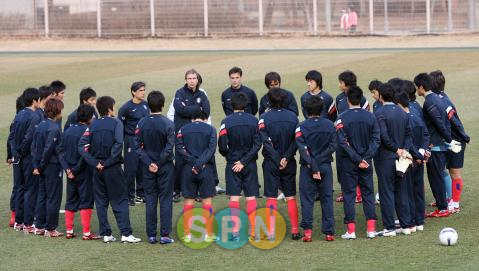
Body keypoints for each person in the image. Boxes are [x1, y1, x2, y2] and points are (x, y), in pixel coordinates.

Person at [79, 96, 141, 243]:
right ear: (109, 109)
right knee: (120, 200)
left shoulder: (92, 125)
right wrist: (107, 163)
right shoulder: (116, 123)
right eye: (113, 106)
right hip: (112, 168)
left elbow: (81, 146)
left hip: (97, 170)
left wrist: (95, 163)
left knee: (101, 202)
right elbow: (118, 143)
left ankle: (106, 234)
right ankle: (126, 233)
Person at [336, 86, 380, 240]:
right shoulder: (371, 117)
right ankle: (371, 230)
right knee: (368, 194)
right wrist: (365, 159)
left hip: (349, 163)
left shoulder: (341, 118)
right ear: (361, 99)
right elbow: (376, 140)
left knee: (349, 195)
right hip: (366, 163)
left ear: (348, 99)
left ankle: (351, 231)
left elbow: (342, 143)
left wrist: (356, 159)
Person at [218, 92, 262, 241]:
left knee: (234, 198)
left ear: (231, 105)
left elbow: (222, 146)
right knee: (251, 198)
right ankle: (253, 230)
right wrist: (244, 161)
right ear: (246, 105)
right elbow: (258, 144)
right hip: (250, 163)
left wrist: (232, 159)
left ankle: (235, 231)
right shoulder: (254, 121)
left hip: (232, 164)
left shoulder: (225, 121)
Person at [258, 88, 301, 240]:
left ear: (269, 101)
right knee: (290, 196)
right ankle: (295, 230)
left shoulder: (263, 118)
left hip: (271, 162)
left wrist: (277, 159)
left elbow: (266, 142)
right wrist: (286, 158)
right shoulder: (293, 118)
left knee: (271, 196)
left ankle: (270, 232)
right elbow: (297, 140)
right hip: (289, 163)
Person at [134, 91, 175, 245]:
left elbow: (137, 146)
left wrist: (149, 162)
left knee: (150, 199)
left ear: (148, 105)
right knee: (165, 200)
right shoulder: (168, 123)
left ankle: (151, 235)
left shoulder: (141, 123)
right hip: (165, 167)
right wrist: (158, 163)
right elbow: (169, 147)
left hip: (147, 167)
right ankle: (165, 235)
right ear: (163, 105)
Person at [415, 73, 458, 218]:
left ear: (421, 87)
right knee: (438, 175)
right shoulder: (438, 98)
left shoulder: (429, 102)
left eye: (417, 87)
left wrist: (448, 139)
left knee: (436, 177)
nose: (416, 90)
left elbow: (439, 123)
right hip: (440, 144)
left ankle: (443, 208)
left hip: (435, 146)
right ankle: (443, 203)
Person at [374, 83, 414, 237]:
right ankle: (405, 225)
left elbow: (383, 136)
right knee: (401, 191)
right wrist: (404, 150)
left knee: (386, 192)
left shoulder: (379, 112)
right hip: (402, 158)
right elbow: (409, 134)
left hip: (385, 158)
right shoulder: (402, 112)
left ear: (381, 96)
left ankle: (389, 227)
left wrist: (396, 149)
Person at [296, 96, 336, 242]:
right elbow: (333, 146)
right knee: (326, 199)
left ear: (306, 110)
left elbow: (302, 149)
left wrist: (313, 165)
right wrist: (319, 162)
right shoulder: (330, 125)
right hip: (325, 166)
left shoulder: (301, 126)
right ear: (322, 109)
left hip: (308, 167)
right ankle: (329, 232)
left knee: (307, 199)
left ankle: (307, 232)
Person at [176, 109, 218, 243]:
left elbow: (179, 149)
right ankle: (209, 233)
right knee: (207, 201)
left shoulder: (183, 129)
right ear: (205, 118)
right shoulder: (211, 129)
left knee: (189, 201)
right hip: (205, 169)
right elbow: (211, 150)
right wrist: (200, 164)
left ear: (192, 118)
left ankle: (187, 234)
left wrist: (194, 163)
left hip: (189, 169)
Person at [430, 70, 469, 213]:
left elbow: (454, 121)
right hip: (448, 140)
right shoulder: (438, 98)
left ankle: (456, 203)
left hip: (455, 141)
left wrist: (463, 137)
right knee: (443, 170)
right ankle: (447, 199)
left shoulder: (443, 101)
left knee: (454, 172)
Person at [62, 104, 101, 240]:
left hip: (69, 172)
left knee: (71, 200)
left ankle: (69, 231)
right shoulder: (88, 131)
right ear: (90, 117)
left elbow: (61, 152)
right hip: (83, 171)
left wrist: (68, 169)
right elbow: (85, 154)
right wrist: (75, 169)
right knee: (86, 200)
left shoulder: (67, 130)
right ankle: (86, 232)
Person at [331, 70, 368, 203]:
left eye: (340, 82)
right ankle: (346, 191)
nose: (339, 85)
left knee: (357, 163)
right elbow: (332, 115)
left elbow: (367, 115)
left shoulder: (361, 98)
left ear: (345, 83)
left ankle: (359, 193)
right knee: (342, 165)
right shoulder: (339, 98)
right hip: (342, 138)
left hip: (358, 137)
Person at [395, 91, 429, 232]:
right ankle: (419, 221)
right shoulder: (416, 116)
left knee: (407, 191)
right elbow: (426, 134)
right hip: (418, 160)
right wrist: (422, 152)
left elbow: (407, 142)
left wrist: (416, 156)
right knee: (418, 190)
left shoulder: (403, 119)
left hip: (408, 160)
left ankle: (410, 222)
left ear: (398, 104)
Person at [9, 88, 42, 232]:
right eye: (39, 99)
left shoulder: (19, 114)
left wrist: (15, 153)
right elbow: (28, 138)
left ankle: (18, 221)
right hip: (27, 157)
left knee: (20, 188)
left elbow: (12, 136)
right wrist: (22, 153)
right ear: (35, 100)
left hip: (17, 157)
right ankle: (28, 223)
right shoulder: (34, 116)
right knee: (30, 189)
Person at [32, 98, 66, 237]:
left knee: (42, 196)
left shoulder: (40, 125)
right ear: (57, 111)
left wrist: (36, 166)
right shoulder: (54, 128)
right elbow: (48, 150)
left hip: (40, 166)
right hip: (51, 167)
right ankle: (50, 228)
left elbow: (33, 147)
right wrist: (40, 167)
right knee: (53, 197)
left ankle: (39, 226)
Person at [118, 82, 150, 206]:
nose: (143, 92)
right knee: (131, 169)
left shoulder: (146, 105)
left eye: (144, 90)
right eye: (141, 90)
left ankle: (141, 194)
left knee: (143, 167)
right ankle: (129, 196)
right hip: (131, 140)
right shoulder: (126, 108)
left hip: (143, 140)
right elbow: (120, 127)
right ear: (133, 92)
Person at [7, 94, 26, 227]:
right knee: (22, 186)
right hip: (22, 157)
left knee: (17, 186)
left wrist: (9, 156)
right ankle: (18, 216)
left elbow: (10, 139)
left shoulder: (16, 120)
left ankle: (14, 216)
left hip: (15, 157)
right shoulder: (24, 120)